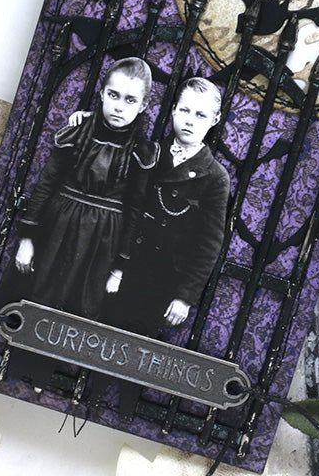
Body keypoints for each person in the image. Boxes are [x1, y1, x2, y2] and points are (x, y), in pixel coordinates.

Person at [85, 77, 231, 413]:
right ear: (174, 111)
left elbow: (210, 243)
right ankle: (89, 396)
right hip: (126, 262)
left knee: (142, 348)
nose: (190, 121)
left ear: (215, 120)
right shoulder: (150, 152)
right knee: (107, 332)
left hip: (165, 278)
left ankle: (127, 408)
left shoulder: (214, 177)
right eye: (185, 111)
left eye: (200, 115)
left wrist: (185, 296)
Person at [11, 57, 159, 320]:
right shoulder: (77, 133)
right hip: (57, 229)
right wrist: (26, 240)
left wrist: (118, 269)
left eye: (130, 100)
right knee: (36, 304)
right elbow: (46, 184)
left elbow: (135, 211)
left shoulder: (141, 153)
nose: (119, 106)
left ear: (143, 105)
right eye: (113, 95)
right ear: (101, 94)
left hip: (102, 242)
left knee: (79, 313)